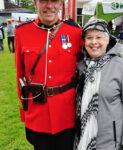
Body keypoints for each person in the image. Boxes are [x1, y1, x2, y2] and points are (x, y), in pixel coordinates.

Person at [15, 0, 82, 150]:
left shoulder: (75, 32)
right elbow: (20, 76)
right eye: (44, 1)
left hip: (67, 113)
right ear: (35, 3)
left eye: (55, 1)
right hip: (37, 113)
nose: (49, 6)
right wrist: (24, 113)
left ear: (61, 5)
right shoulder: (22, 32)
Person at [74, 17, 123, 150]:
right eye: (89, 38)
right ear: (84, 41)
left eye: (98, 37)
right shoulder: (80, 67)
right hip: (81, 141)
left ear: (107, 39)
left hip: (111, 143)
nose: (94, 42)